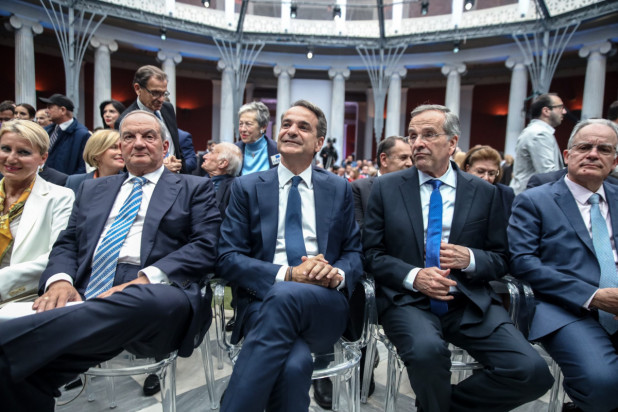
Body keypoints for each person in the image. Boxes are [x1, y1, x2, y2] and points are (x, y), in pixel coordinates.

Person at [0, 110, 221, 410]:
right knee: (17, 370)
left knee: (147, 300)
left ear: (165, 146)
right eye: (129, 137)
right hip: (88, 290)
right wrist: (60, 281)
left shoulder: (193, 187)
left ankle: (8, 336)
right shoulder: (92, 189)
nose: (138, 143)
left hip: (156, 291)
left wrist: (143, 280)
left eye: (148, 136)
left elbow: (205, 246)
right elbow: (68, 242)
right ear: (120, 146)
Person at [363, 104, 553, 412]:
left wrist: (471, 258)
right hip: (408, 301)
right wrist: (414, 276)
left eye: (428, 134)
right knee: (427, 354)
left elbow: (502, 258)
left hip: (469, 301)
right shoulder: (386, 187)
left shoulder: (484, 192)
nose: (417, 143)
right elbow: (371, 254)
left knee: (531, 372)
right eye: (412, 135)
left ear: (452, 142)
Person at [217, 100, 363, 411]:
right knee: (293, 366)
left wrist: (336, 274)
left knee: (285, 295)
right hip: (262, 301)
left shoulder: (339, 188)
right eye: (286, 124)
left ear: (319, 143)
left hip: (324, 303)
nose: (291, 131)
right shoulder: (246, 187)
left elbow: (353, 251)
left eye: (303, 127)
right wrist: (289, 274)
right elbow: (227, 257)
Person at [509, 118, 618, 412]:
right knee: (602, 382)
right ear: (568, 156)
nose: (593, 154)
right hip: (564, 307)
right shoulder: (534, 200)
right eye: (585, 147)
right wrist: (594, 296)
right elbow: (523, 263)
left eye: (604, 149)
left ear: (614, 161)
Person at [0, 120, 74, 303]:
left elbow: (56, 256)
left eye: (23, 152)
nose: (11, 158)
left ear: (43, 158)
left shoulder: (60, 197)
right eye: (5, 149)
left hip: (23, 299)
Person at [117, 65, 185, 174]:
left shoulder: (168, 108)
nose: (161, 99)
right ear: (138, 89)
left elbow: (176, 147)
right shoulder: (125, 120)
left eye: (164, 93)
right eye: (155, 93)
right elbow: (126, 161)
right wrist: (160, 169)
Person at [352, 135, 413, 234]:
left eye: (412, 158)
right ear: (384, 159)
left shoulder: (415, 189)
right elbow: (359, 232)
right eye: (403, 158)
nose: (410, 163)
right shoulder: (359, 189)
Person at [510, 93, 567, 195]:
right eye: (560, 107)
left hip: (529, 195)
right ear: (546, 111)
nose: (564, 111)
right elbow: (548, 174)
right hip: (530, 197)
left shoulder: (536, 131)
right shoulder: (539, 133)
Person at [39, 93, 91, 175]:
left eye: (50, 107)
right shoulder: (46, 131)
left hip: (66, 181)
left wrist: (70, 181)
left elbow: (83, 167)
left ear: (63, 110)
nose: (46, 111)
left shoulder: (82, 135)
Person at [462, 145, 515, 222]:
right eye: (480, 171)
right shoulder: (457, 190)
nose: (486, 178)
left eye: (491, 173)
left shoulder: (505, 194)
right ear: (467, 168)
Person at [65, 129, 125, 194]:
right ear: (97, 153)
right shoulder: (74, 182)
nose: (121, 152)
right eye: (114, 147)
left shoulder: (129, 183)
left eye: (123, 148)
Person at [201, 142, 242, 219]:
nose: (204, 156)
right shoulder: (202, 183)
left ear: (222, 163)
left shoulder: (235, 189)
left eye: (212, 152)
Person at [236, 101, 279, 175]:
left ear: (263, 127)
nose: (243, 129)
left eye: (248, 124)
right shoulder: (234, 150)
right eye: (240, 124)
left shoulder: (277, 150)